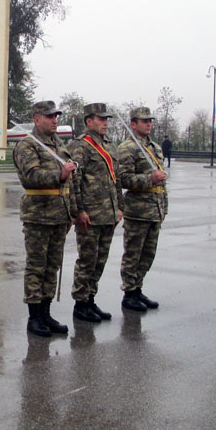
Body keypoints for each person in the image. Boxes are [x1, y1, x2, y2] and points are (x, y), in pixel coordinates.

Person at [13, 100, 77, 337]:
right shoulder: (27, 145)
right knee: (36, 267)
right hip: (38, 215)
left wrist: (71, 210)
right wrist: (59, 174)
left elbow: (71, 181)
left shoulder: (58, 144)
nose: (54, 120)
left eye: (56, 116)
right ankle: (34, 317)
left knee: (52, 267)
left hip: (59, 215)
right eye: (49, 116)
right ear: (37, 118)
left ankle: (46, 313)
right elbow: (31, 176)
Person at [67, 103, 123, 323]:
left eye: (106, 119)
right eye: (100, 119)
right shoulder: (81, 146)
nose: (105, 122)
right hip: (90, 214)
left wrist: (120, 206)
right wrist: (79, 210)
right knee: (87, 260)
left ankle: (90, 299)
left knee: (100, 260)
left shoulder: (109, 145)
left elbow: (115, 179)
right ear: (89, 121)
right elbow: (75, 181)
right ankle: (81, 304)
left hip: (108, 214)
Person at [115, 107, 167, 312]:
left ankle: (138, 288)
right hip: (138, 210)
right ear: (133, 124)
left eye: (150, 121)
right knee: (133, 253)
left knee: (148, 254)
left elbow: (162, 182)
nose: (148, 124)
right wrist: (149, 179)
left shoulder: (154, 147)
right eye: (143, 121)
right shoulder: (128, 147)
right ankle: (129, 293)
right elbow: (123, 178)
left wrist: (164, 206)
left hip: (154, 208)